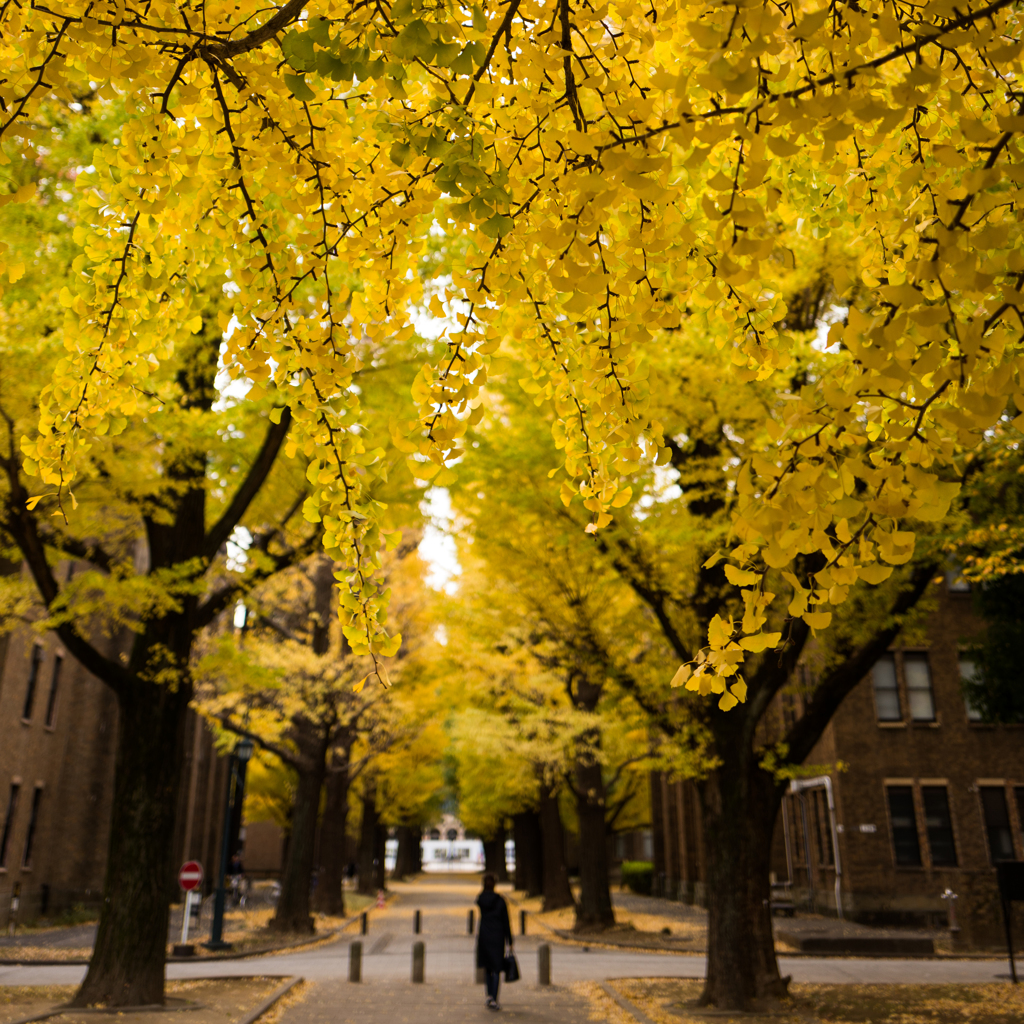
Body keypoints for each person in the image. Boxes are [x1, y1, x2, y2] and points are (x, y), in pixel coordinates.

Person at [476, 872, 513, 1011]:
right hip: (498, 936)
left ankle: (489, 996)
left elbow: (481, 897)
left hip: (484, 935)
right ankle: (494, 998)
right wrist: (510, 939)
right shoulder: (500, 901)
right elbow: (506, 921)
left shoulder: (481, 900)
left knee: (487, 967)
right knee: (497, 968)